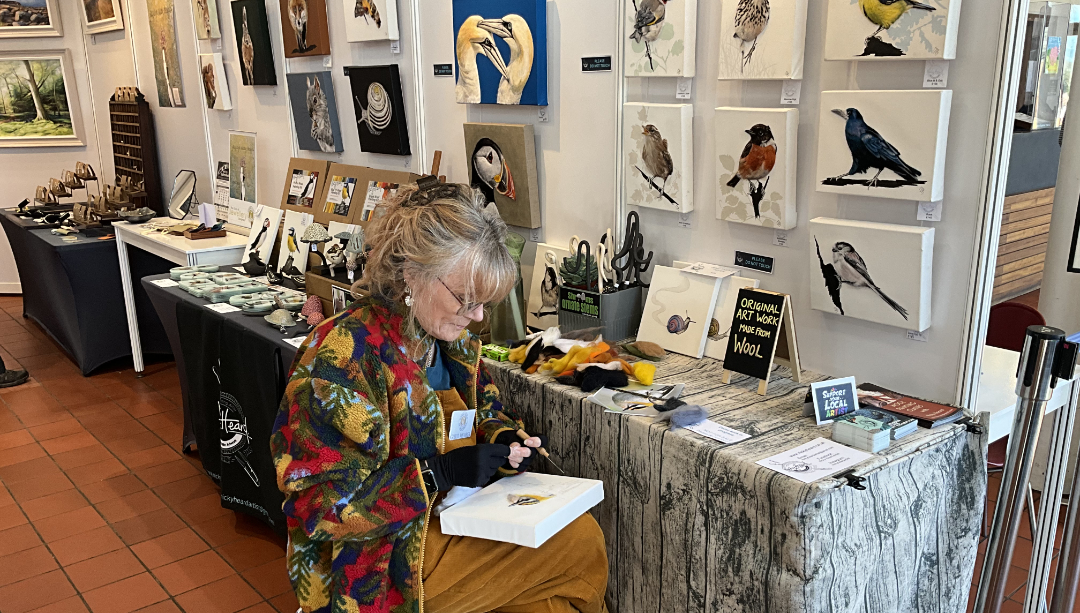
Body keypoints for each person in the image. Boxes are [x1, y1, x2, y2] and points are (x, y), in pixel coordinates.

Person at [270, 181, 608, 613]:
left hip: (453, 518)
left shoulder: (455, 342)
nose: (479, 316)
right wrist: (437, 473)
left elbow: (486, 409)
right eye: (467, 299)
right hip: (381, 558)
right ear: (412, 273)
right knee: (577, 547)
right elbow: (317, 505)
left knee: (558, 585)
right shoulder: (341, 356)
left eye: (485, 301)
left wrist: (502, 439)